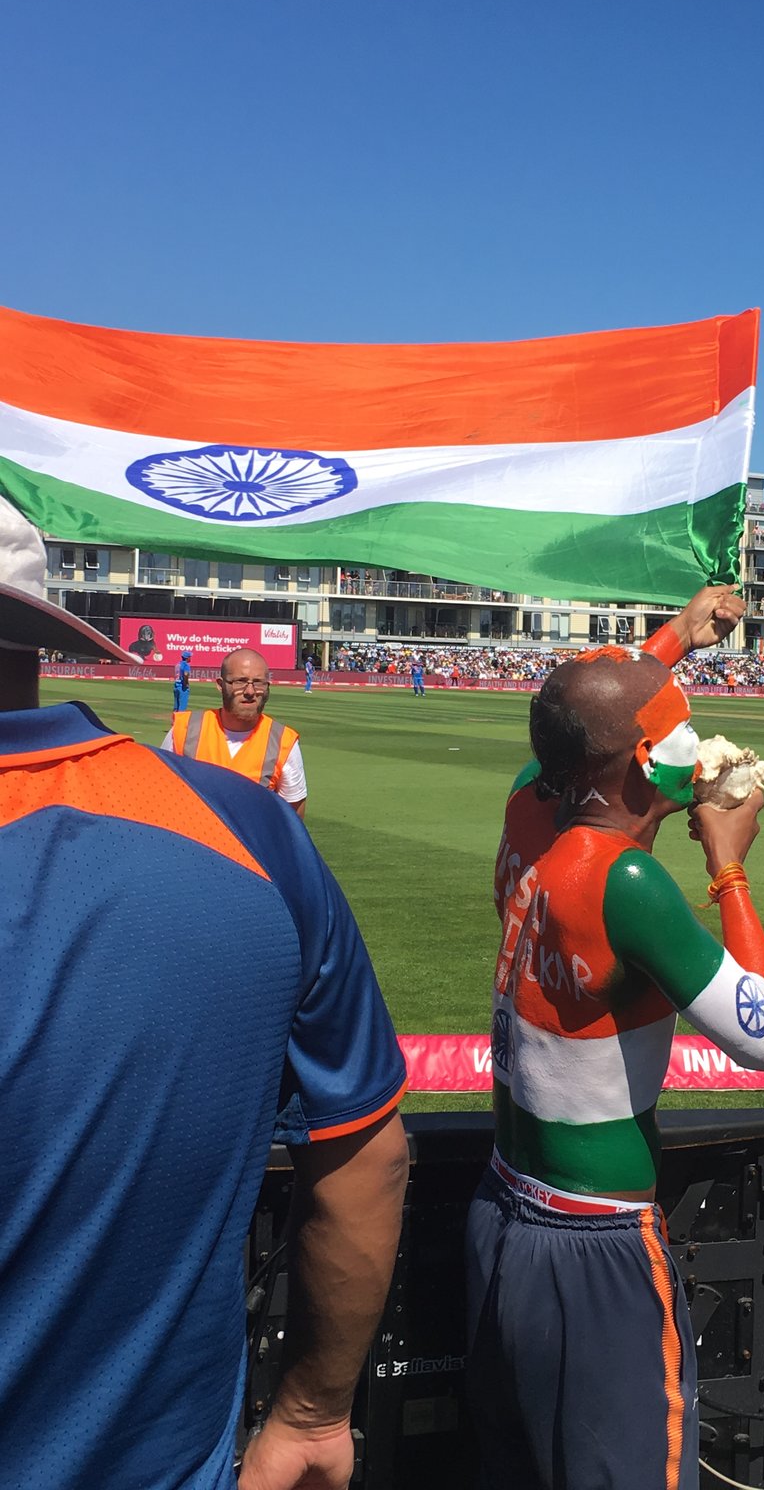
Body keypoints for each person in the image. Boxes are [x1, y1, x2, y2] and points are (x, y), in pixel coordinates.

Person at [0, 495, 409, 1490]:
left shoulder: (272, 788)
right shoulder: (244, 825)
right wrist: (313, 1410)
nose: (248, 693)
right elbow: (365, 1155)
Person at [466, 585, 764, 1490]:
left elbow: (580, 725)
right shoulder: (628, 885)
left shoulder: (531, 807)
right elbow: (761, 1032)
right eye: (682, 730)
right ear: (647, 761)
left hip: (505, 1208)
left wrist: (679, 635)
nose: (696, 741)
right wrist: (727, 865)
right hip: (596, 1241)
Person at [163, 648, 308, 817]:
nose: (250, 692)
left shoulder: (283, 742)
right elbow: (161, 794)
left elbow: (292, 820)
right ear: (220, 685)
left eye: (258, 683)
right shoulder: (185, 730)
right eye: (240, 681)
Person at [174, 648, 192, 712]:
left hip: (176, 686)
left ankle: (174, 718)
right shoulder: (186, 665)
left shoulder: (178, 664)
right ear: (187, 658)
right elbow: (186, 674)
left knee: (176, 707)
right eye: (190, 657)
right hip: (182, 687)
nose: (190, 658)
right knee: (182, 708)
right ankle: (180, 718)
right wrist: (186, 684)